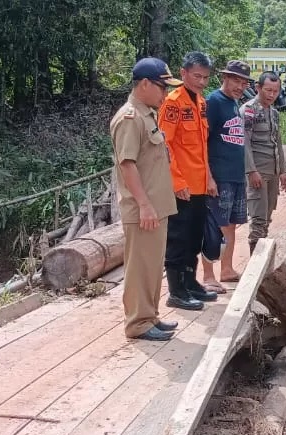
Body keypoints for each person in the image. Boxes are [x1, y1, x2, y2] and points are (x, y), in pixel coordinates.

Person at [111, 57, 182, 341]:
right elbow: (127, 164)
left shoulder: (147, 114)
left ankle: (149, 316)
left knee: (152, 265)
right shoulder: (129, 118)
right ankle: (138, 323)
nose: (165, 94)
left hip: (156, 206)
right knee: (140, 266)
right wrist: (143, 204)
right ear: (144, 84)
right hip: (143, 208)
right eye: (162, 87)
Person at [158, 52, 220, 311]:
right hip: (181, 186)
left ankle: (191, 283)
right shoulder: (173, 103)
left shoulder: (201, 103)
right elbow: (165, 146)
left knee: (195, 237)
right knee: (178, 238)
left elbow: (202, 147)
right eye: (197, 76)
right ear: (183, 74)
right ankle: (176, 290)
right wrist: (176, 181)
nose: (202, 82)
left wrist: (209, 178)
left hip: (200, 183)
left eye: (205, 77)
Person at [201, 60, 253, 291]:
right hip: (218, 175)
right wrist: (208, 176)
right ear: (225, 78)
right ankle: (208, 275)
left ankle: (227, 268)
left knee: (231, 224)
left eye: (243, 83)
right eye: (236, 81)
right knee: (214, 225)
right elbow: (201, 141)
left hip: (235, 176)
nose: (240, 86)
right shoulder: (213, 102)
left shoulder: (234, 103)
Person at [240, 71, 286, 255]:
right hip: (257, 173)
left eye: (275, 91)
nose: (271, 95)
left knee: (267, 219)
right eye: (268, 90)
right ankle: (255, 264)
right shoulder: (249, 111)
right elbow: (244, 143)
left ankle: (261, 262)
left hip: (273, 172)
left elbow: (277, 141)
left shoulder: (274, 113)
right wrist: (251, 171)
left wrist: (282, 172)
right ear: (257, 88)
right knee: (258, 220)